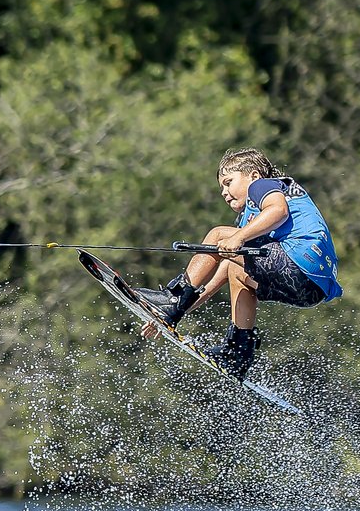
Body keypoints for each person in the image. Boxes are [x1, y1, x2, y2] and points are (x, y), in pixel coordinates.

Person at [134, 148, 342, 379]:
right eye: (221, 187)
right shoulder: (250, 220)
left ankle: (172, 299)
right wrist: (172, 317)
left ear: (253, 175)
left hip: (299, 264)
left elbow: (279, 211)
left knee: (217, 234)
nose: (224, 192)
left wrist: (238, 237)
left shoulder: (262, 186)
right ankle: (238, 352)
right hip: (311, 290)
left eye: (228, 182)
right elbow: (222, 273)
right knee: (235, 269)